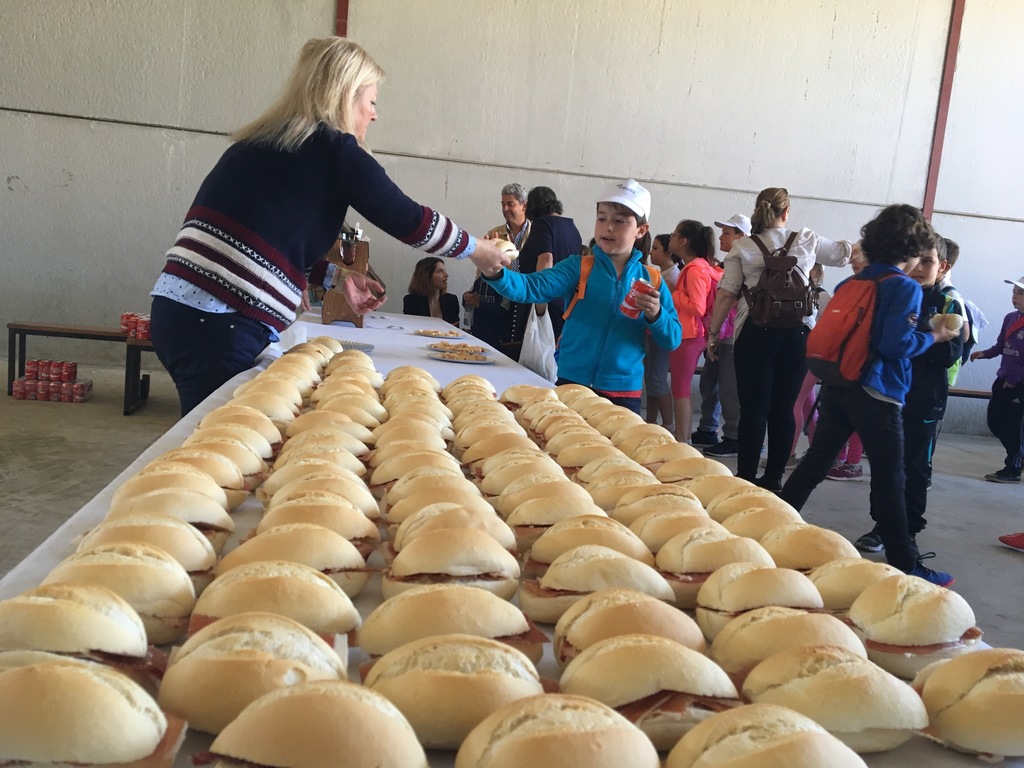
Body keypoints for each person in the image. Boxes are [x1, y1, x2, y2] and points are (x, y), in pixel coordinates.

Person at [149, 37, 509, 415]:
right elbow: (407, 218)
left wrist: (337, 276)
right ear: (345, 96)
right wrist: (478, 250)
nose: (374, 115)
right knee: (221, 448)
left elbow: (274, 242)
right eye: (371, 102)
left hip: (182, 313)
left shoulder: (259, 143)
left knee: (215, 438)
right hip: (222, 322)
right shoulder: (333, 148)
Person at [780, 204, 959, 587]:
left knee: (815, 463)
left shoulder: (853, 282)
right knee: (891, 476)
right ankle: (905, 561)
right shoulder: (904, 286)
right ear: (911, 251)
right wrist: (935, 336)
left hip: (839, 384)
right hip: (877, 392)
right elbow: (895, 344)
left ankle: (773, 522)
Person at [480, 179, 681, 414]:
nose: (608, 227)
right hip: (571, 385)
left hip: (623, 395)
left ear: (641, 230)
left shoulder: (652, 280)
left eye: (620, 221)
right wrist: (493, 271)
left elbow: (673, 339)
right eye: (602, 218)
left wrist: (656, 314)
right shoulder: (578, 267)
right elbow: (530, 287)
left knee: (616, 452)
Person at [705, 188, 854, 491]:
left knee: (753, 409)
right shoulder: (806, 239)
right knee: (784, 408)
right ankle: (774, 477)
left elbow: (726, 294)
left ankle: (745, 476)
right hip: (797, 335)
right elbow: (842, 255)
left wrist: (713, 334)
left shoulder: (743, 246)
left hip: (754, 335)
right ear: (786, 213)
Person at [854, 238, 964, 553]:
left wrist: (916, 342)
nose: (919, 268)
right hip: (888, 393)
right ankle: (881, 525)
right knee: (884, 462)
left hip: (924, 398)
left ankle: (908, 530)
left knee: (913, 466)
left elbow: (949, 353)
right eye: (915, 260)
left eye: (928, 262)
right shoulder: (898, 292)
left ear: (942, 266)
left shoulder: (947, 301)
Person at [695, 215, 747, 456]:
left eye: (727, 232)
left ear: (741, 237)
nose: (721, 237)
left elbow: (729, 299)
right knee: (709, 381)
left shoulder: (747, 266)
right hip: (719, 333)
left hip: (733, 335)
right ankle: (708, 428)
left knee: (730, 387)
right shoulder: (727, 265)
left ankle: (735, 436)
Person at [507, 186, 583, 347]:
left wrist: (540, 304)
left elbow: (546, 260)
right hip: (567, 303)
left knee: (536, 356)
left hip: (546, 302)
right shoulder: (572, 228)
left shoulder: (543, 224)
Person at [668, 220, 720, 443]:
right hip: (689, 334)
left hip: (689, 335)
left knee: (680, 389)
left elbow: (697, 307)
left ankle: (682, 439)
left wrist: (674, 293)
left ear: (683, 241)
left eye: (673, 234)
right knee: (680, 388)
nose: (670, 238)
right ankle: (683, 437)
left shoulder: (695, 270)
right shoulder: (699, 267)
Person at [970, 275, 1024, 483]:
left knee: (1013, 426)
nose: (1015, 297)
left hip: (1019, 385)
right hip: (1003, 379)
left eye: (1020, 293)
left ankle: (1013, 467)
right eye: (1014, 292)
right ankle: (1018, 455)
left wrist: (1016, 378)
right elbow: (1001, 346)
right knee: (994, 420)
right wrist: (984, 353)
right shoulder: (1011, 318)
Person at [463, 183, 531, 346]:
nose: (505, 208)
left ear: (524, 206)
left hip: (525, 298)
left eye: (510, 204)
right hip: (498, 299)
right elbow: (482, 269)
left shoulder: (535, 233)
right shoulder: (495, 232)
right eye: (503, 204)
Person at [644, 234, 679, 431]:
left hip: (661, 335)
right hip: (651, 333)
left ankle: (668, 424)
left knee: (657, 378)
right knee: (651, 378)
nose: (651, 252)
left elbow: (668, 311)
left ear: (668, 252)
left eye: (656, 248)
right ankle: (650, 420)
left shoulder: (672, 276)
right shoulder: (660, 274)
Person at [403, 257, 459, 325]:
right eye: (440, 271)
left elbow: (455, 330)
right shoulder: (411, 301)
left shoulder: (451, 300)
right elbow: (412, 328)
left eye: (444, 270)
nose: (446, 275)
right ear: (426, 276)